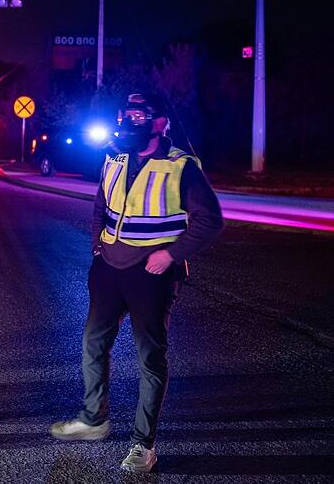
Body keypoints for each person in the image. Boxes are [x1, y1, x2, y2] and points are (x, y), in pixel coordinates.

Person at [50, 93, 225, 472]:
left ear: (160, 122)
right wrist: (98, 244)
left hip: (152, 275)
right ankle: (93, 419)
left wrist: (170, 256)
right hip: (109, 269)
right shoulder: (114, 155)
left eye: (139, 115)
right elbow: (101, 203)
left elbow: (211, 221)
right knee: (93, 343)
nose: (130, 122)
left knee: (150, 358)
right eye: (126, 114)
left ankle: (143, 445)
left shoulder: (181, 167)